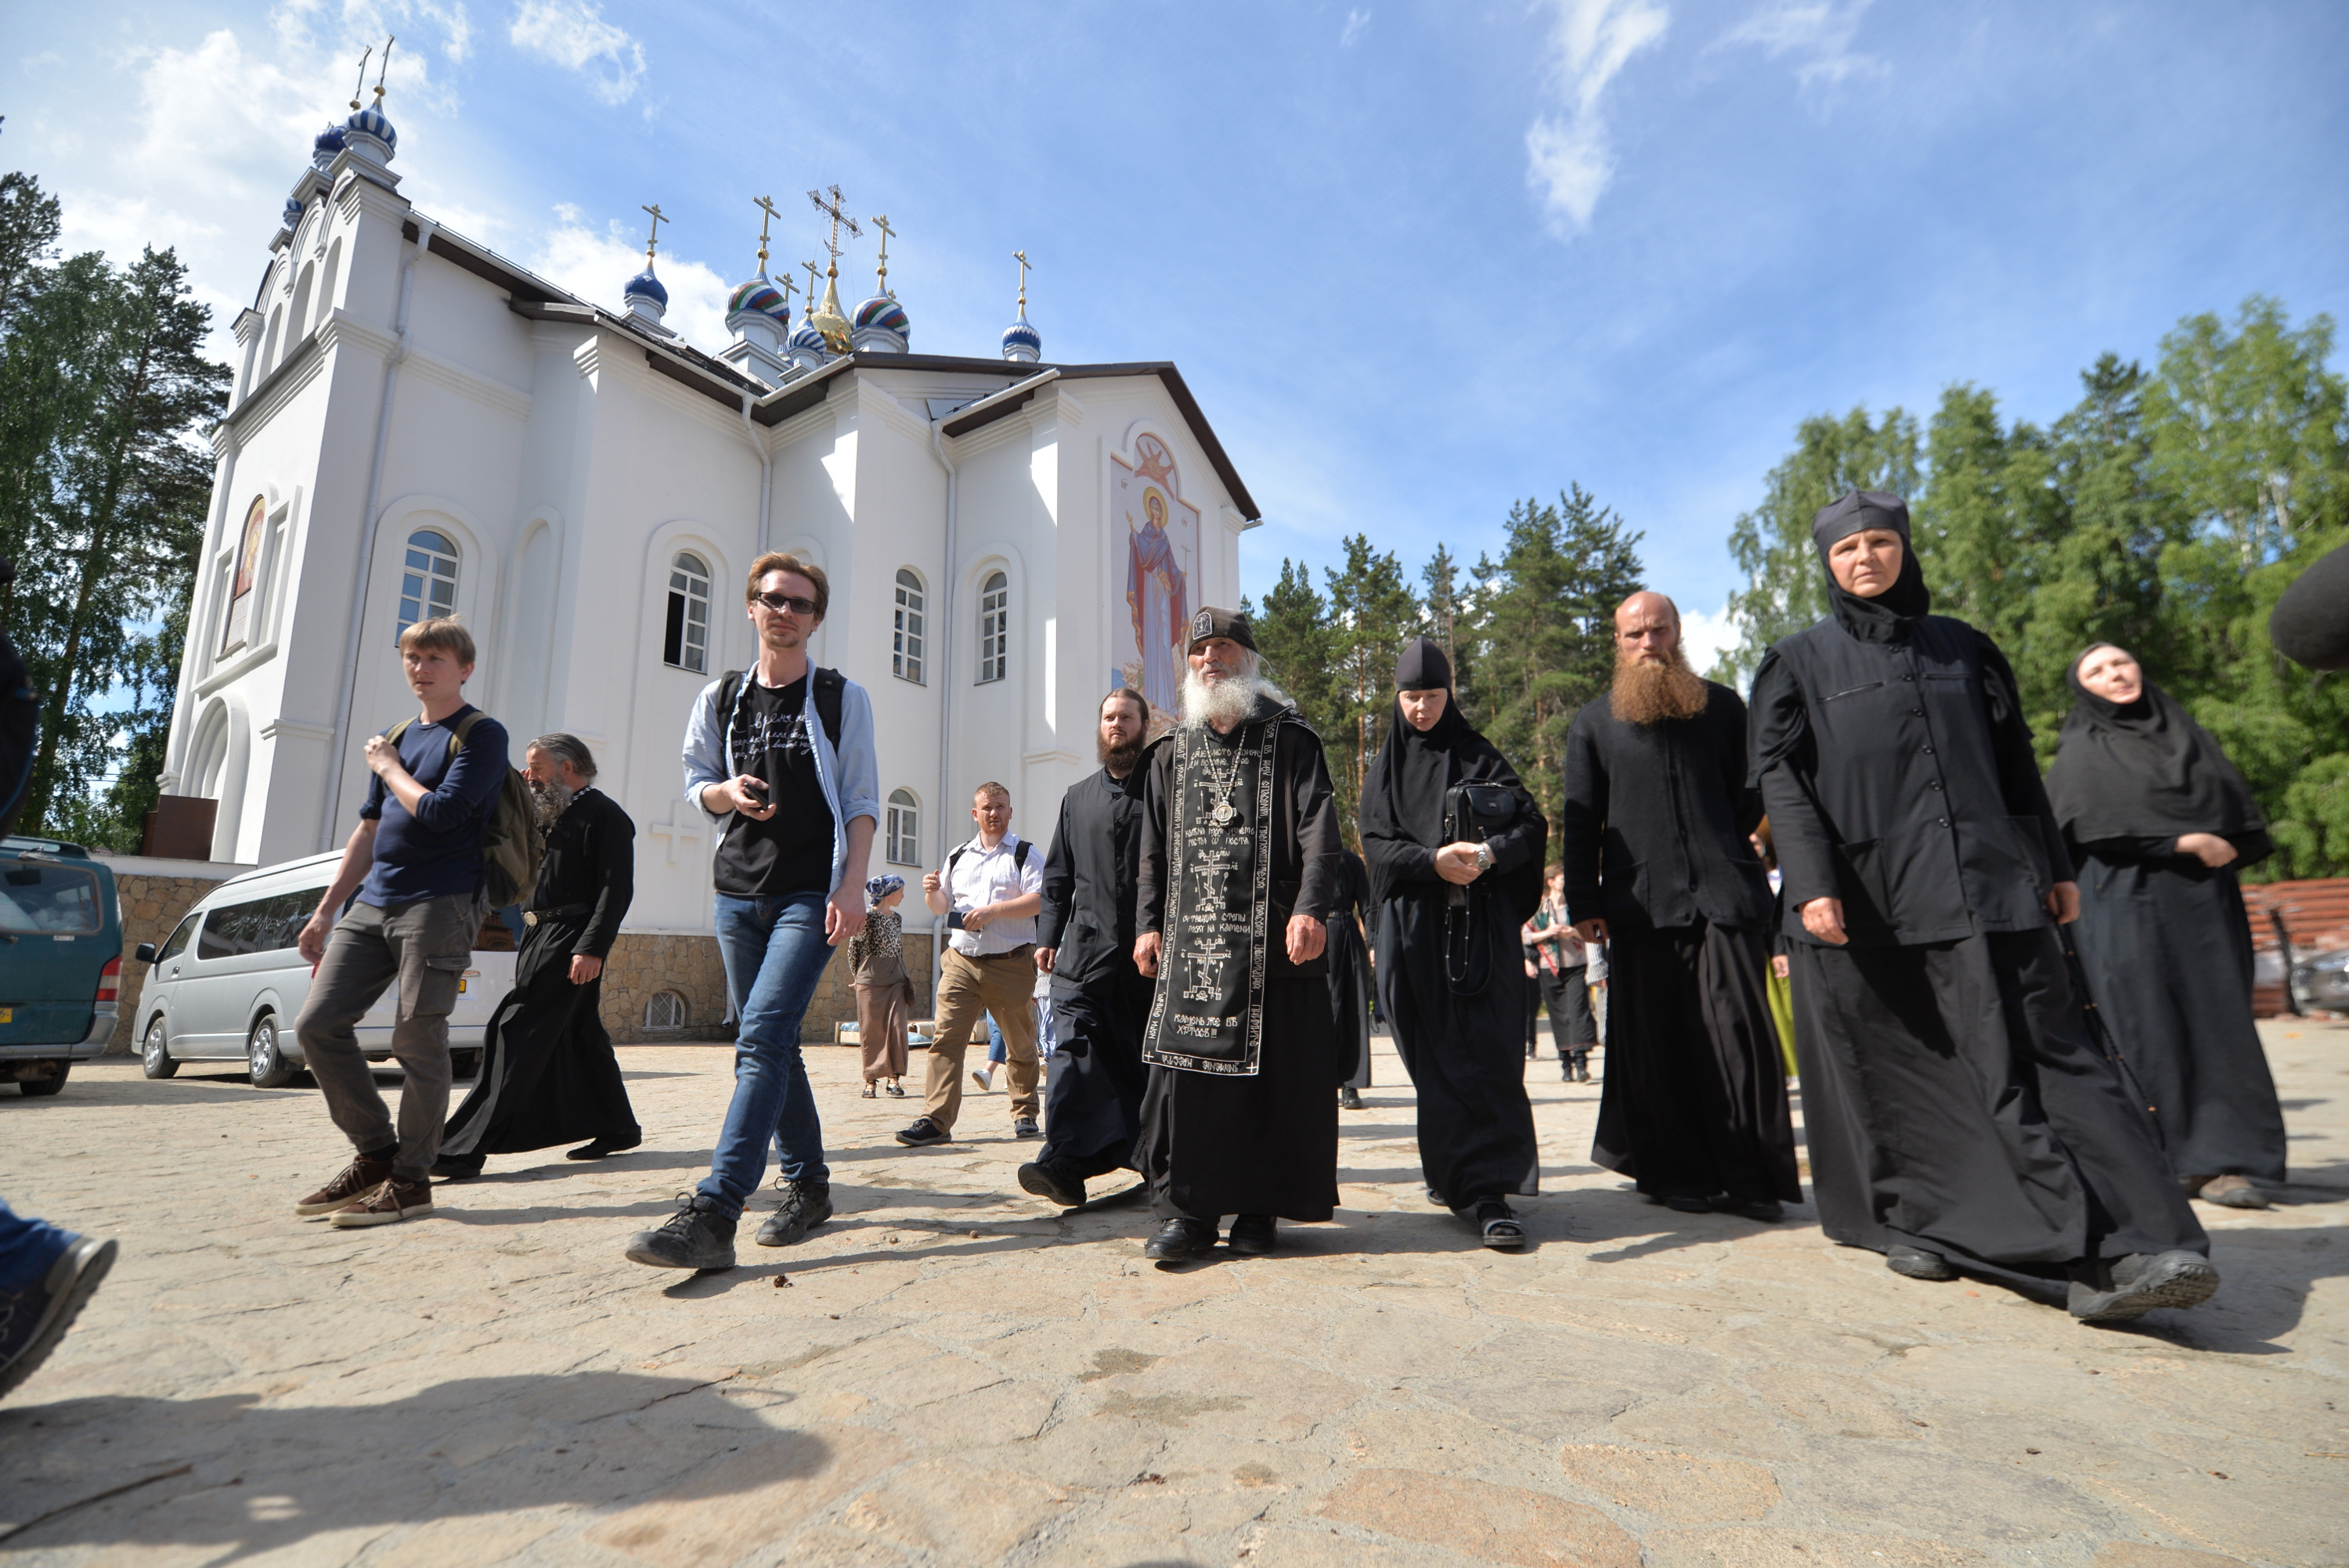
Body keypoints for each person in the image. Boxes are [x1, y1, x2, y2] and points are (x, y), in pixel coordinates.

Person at [1750, 490, 2215, 1322]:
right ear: (1827, 562)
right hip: (1877, 907)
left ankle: (2145, 1237)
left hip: (1995, 884)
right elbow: (1782, 781)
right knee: (1919, 1076)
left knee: (2061, 1057)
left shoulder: (1964, 647)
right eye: (1847, 547)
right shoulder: (1798, 662)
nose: (1866, 558)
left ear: (1904, 548)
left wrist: (2052, 860)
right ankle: (1964, 1228)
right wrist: (1813, 881)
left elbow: (2013, 761)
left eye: (1881, 542)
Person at [626, 552, 878, 1271]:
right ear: (752, 607)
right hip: (736, 891)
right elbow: (694, 782)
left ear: (816, 618)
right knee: (773, 1042)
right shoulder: (720, 696)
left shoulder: (839, 696)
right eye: (774, 599)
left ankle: (715, 1210)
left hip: (809, 890)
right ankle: (810, 1185)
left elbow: (861, 799)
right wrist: (726, 796)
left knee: (761, 1036)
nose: (786, 612)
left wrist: (852, 885)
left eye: (800, 604)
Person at [1563, 593, 1799, 1223]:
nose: (1648, 642)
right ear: (1617, 642)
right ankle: (1676, 1175)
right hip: (1640, 908)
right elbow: (1582, 822)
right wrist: (1584, 899)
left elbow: (1749, 794)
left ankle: (1752, 1177)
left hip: (1724, 896)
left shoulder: (1723, 706)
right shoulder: (1594, 722)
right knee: (1657, 1047)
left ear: (1677, 632)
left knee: (1740, 1040)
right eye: (1634, 633)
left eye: (1658, 630)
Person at [1133, 607, 1343, 1260]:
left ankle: (1259, 1210)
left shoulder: (1292, 739)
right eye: (1199, 650)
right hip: (1194, 944)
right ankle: (1189, 1214)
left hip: (1271, 942)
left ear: (1247, 660)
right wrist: (1146, 924)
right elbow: (1151, 850)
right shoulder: (1170, 749)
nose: (1209, 659)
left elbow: (1321, 833)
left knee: (1269, 1084)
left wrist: (1311, 908)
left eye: (1222, 647)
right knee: (1193, 1088)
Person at [2048, 643, 2286, 1210]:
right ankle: (2164, 1160)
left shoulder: (2185, 733)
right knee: (2145, 1024)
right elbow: (2084, 820)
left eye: (2122, 662)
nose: (2115, 674)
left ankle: (2232, 1162)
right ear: (2084, 688)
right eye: (2097, 670)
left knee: (2219, 1020)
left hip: (2202, 902)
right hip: (2121, 903)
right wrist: (2178, 840)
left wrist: (2207, 843)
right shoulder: (2083, 746)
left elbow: (2235, 817)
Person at [291, 618, 509, 1228]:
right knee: (317, 1025)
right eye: (412, 657)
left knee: (417, 1037)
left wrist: (388, 767)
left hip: (440, 902)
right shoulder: (394, 734)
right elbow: (368, 829)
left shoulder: (481, 734)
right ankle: (376, 1154)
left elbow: (442, 813)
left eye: (435, 657)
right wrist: (326, 908)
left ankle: (412, 1180)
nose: (421, 667)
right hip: (374, 902)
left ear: (464, 668)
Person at [1361, 637, 1547, 1248]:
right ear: (1397, 698)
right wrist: (1431, 860)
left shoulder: (1478, 753)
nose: (1421, 708)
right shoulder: (1384, 770)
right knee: (1437, 1064)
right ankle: (1457, 1172)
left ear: (1450, 695)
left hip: (1478, 934)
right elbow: (1378, 848)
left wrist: (1489, 853)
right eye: (1411, 697)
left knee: (1488, 1053)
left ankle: (1489, 1193)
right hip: (1414, 937)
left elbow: (1531, 823)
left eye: (1432, 696)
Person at [435, 734, 640, 1177]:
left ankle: (463, 1146)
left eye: (536, 767)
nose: (528, 775)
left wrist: (591, 948)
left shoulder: (606, 816)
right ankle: (618, 1126)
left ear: (567, 768)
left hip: (570, 937)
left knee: (514, 1029)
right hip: (538, 932)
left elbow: (615, 890)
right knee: (581, 1035)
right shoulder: (549, 813)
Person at [1021, 689, 1161, 1207]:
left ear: (1145, 724)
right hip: (1082, 955)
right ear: (1099, 727)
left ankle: (1153, 1160)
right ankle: (1062, 1162)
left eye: (1126, 716)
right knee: (1072, 1053)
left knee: (1139, 1067)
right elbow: (1057, 877)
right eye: (1108, 717)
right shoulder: (1077, 797)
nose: (1116, 724)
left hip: (1146, 962)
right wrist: (1046, 937)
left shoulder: (1165, 793)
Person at [897, 784, 1045, 1145]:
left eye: (1000, 807)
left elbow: (1039, 900)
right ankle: (936, 1120)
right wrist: (932, 890)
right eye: (986, 807)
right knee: (946, 1041)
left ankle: (1024, 1112)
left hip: (1011, 963)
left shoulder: (1025, 854)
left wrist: (994, 911)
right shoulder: (958, 855)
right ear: (974, 814)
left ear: (1011, 812)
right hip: (961, 961)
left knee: (1020, 1043)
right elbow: (940, 906)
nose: (993, 813)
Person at [1524, 865, 1596, 1083]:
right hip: (1549, 968)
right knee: (1559, 1016)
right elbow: (1526, 937)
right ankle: (1566, 1065)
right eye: (1561, 878)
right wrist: (1547, 933)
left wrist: (1571, 931)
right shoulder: (1539, 909)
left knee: (1578, 1011)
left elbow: (1593, 932)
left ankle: (1582, 1063)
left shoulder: (1575, 906)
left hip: (1575, 966)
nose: (1565, 882)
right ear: (1551, 882)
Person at [849, 874, 912, 1098]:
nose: (903, 896)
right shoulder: (866, 917)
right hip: (870, 980)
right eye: (900, 891)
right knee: (872, 1030)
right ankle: (871, 1081)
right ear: (889, 892)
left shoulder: (897, 918)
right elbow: (854, 948)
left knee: (897, 1028)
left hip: (895, 979)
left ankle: (894, 1079)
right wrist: (856, 977)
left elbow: (899, 950)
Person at [1330, 846, 1375, 1111]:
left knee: (1352, 1008)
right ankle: (1319, 1080)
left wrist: (1373, 944)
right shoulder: (1301, 857)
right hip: (1314, 937)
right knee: (1319, 1012)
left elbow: (1368, 904)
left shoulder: (1351, 861)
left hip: (1347, 933)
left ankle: (1350, 1084)